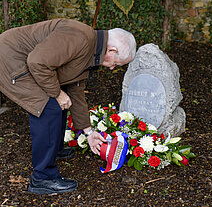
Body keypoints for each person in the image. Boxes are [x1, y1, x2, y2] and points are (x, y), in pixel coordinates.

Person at [0, 18, 136, 195]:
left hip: (27, 63)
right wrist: (56, 93)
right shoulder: (80, 38)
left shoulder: (91, 51)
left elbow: (76, 92)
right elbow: (37, 62)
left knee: (62, 101)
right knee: (49, 107)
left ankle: (54, 149)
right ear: (112, 50)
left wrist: (88, 132)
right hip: (11, 61)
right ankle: (43, 178)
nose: (112, 68)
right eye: (116, 64)